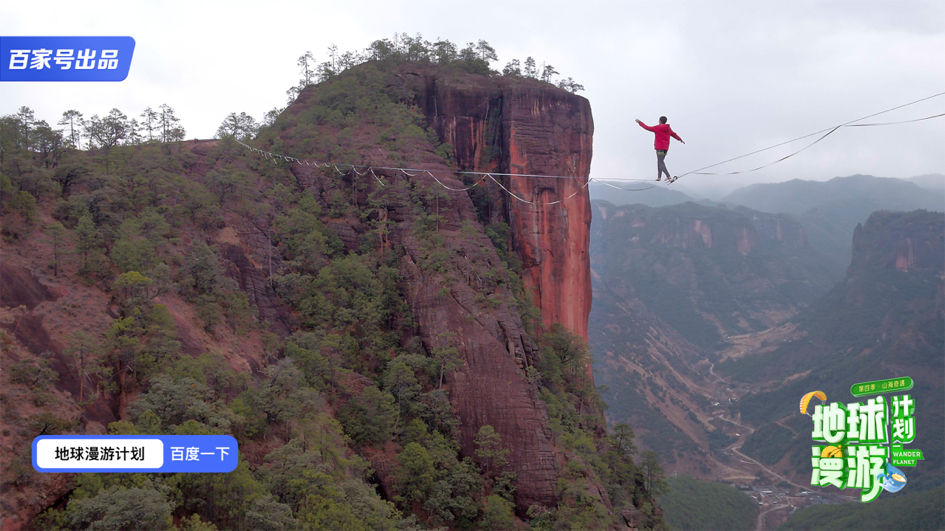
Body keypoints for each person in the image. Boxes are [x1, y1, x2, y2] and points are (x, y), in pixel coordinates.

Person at [636, 116, 684, 182]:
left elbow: (647, 127)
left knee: (660, 162)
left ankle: (668, 176)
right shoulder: (668, 129)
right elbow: (674, 134)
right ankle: (659, 177)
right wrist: (680, 139)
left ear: (660, 121)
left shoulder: (657, 128)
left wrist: (640, 122)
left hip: (659, 149)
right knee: (660, 161)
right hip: (665, 149)